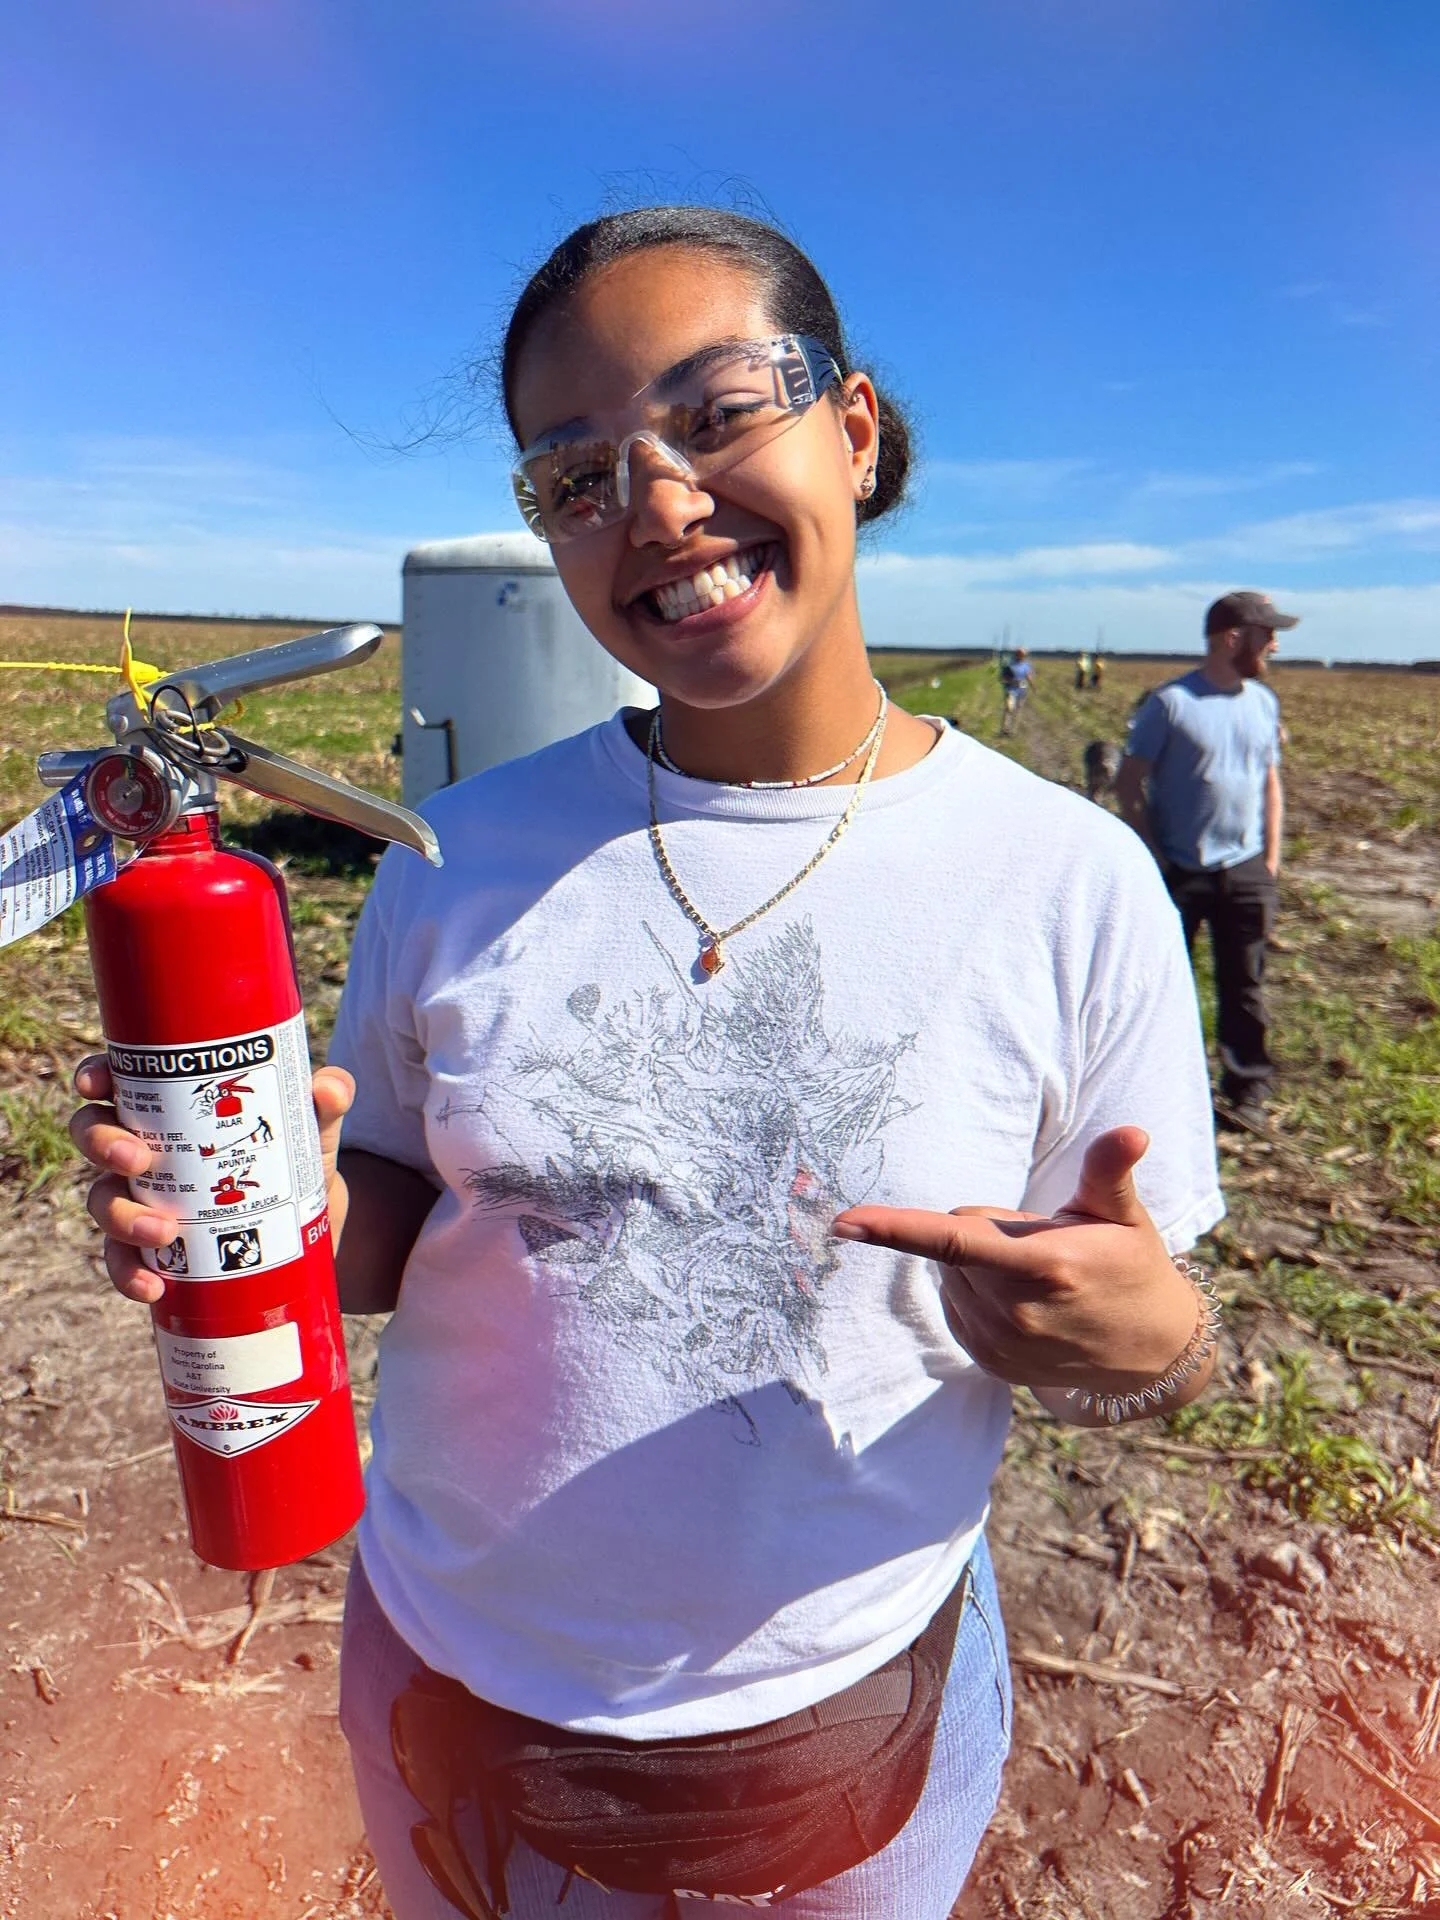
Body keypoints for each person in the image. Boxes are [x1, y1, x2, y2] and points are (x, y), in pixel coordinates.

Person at [70, 206, 1224, 1920]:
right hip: (440, 1674)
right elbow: (387, 1208)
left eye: (717, 408)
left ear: (853, 425)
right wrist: (270, 1227)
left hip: (836, 1733)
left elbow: (1152, 1323)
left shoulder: (1062, 880)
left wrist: (1150, 1342)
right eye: (575, 476)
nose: (658, 502)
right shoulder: (449, 856)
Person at [1115, 590, 1294, 1126]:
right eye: (1267, 636)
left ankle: (1247, 1092)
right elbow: (1129, 782)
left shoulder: (1263, 702)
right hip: (1180, 869)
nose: (1275, 647)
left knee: (1245, 985)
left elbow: (1269, 780)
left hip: (1246, 869)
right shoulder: (1171, 703)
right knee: (1165, 985)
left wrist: (1271, 859)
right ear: (1232, 638)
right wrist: (1154, 856)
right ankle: (1162, 1094)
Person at [998, 645, 1033, 734]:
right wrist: (1010, 681)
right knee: (1009, 709)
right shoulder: (1009, 665)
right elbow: (1001, 678)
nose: (1021, 656)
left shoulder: (1027, 665)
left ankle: (1013, 731)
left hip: (1022, 691)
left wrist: (1033, 686)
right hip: (1010, 690)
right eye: (1019, 654)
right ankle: (1005, 729)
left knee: (1018, 711)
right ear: (1016, 654)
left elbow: (1028, 676)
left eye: (1023, 654)